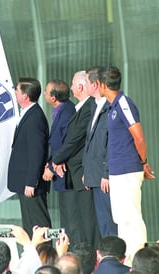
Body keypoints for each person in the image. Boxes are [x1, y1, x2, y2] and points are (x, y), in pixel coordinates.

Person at [97, 65, 155, 266]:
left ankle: (138, 262)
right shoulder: (112, 106)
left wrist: (143, 162)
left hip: (128, 168)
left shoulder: (123, 104)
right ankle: (128, 260)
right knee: (122, 218)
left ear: (103, 85)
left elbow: (139, 137)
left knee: (132, 217)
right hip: (118, 169)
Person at [52, 71, 100, 249]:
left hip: (83, 171)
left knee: (88, 220)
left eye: (73, 84)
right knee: (80, 219)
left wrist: (56, 160)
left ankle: (92, 257)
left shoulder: (89, 108)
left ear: (80, 87)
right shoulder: (81, 107)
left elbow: (76, 139)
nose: (71, 87)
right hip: (75, 171)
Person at [7, 77, 52, 237]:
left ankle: (45, 256)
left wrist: (31, 182)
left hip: (31, 184)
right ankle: (33, 255)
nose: (15, 92)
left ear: (25, 96)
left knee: (38, 222)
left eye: (17, 90)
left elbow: (37, 152)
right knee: (29, 223)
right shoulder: (27, 114)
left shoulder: (35, 117)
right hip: (24, 182)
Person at [83, 66, 117, 238]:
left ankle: (114, 260)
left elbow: (111, 144)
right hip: (95, 175)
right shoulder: (94, 106)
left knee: (109, 222)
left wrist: (106, 173)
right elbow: (91, 142)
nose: (85, 86)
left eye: (87, 82)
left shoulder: (110, 108)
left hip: (105, 177)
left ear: (96, 85)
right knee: (102, 223)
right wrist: (87, 172)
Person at [41, 80, 76, 241]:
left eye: (47, 92)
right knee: (66, 215)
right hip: (61, 173)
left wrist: (52, 166)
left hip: (67, 173)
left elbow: (65, 143)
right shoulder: (61, 110)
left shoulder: (67, 112)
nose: (44, 94)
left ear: (54, 97)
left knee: (71, 218)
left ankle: (70, 252)